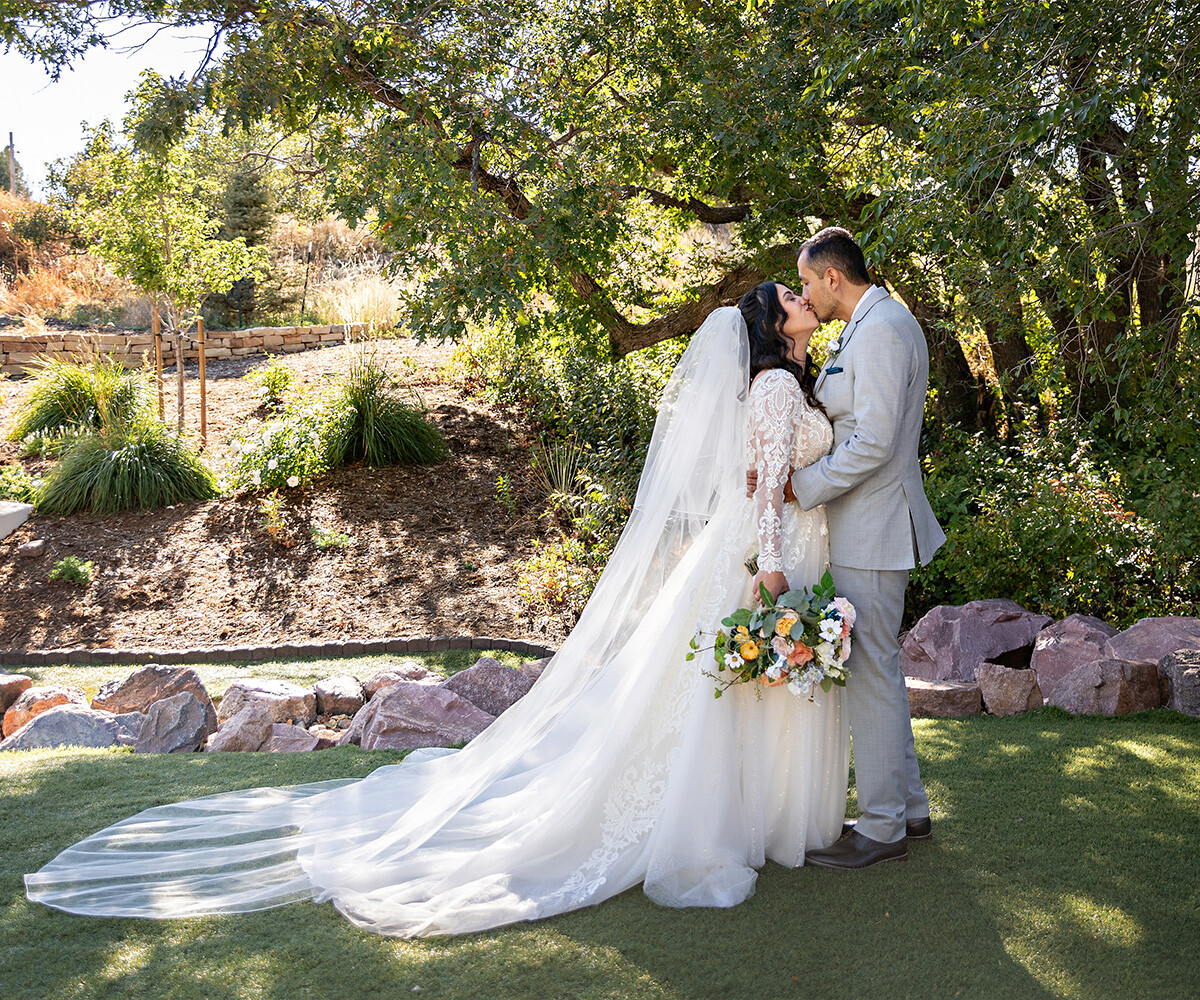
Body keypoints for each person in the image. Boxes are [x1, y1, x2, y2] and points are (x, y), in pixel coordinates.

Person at [26, 289, 848, 939]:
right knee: (726, 688)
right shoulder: (776, 384)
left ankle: (746, 813)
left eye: (808, 294)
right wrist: (769, 570)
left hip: (756, 547)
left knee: (724, 689)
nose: (807, 302)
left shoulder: (783, 380)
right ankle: (719, 824)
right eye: (797, 299)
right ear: (774, 326)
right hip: (759, 554)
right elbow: (768, 484)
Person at [752, 226, 946, 869]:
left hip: (875, 526)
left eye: (806, 282)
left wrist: (797, 487)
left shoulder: (885, 328)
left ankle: (885, 827)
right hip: (865, 524)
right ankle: (909, 810)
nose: (805, 293)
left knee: (872, 674)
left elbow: (874, 443)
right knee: (879, 670)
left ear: (832, 277)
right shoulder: (870, 326)